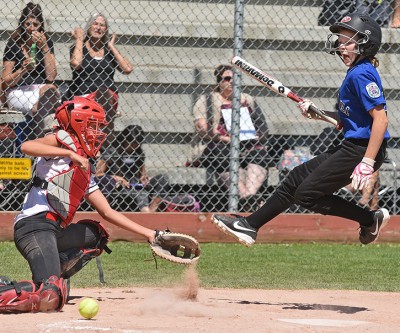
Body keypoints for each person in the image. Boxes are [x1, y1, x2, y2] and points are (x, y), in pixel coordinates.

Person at [212, 13, 390, 247]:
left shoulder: (362, 73)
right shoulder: (355, 72)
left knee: (306, 194)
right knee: (294, 179)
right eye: (340, 40)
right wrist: (320, 113)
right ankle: (250, 226)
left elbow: (380, 120)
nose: (340, 46)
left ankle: (370, 219)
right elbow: (352, 119)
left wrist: (367, 162)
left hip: (361, 150)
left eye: (348, 41)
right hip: (352, 146)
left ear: (366, 43)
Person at [0, 97, 168, 313]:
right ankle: (23, 286)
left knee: (96, 235)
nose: (97, 132)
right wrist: (68, 153)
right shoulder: (60, 140)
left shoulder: (85, 169)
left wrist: (149, 234)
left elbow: (107, 211)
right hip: (34, 227)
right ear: (79, 123)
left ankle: (55, 269)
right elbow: (27, 146)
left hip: (56, 232)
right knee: (49, 296)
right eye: (92, 126)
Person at [190, 64, 269, 208]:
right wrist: (225, 138)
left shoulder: (247, 98)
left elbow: (262, 126)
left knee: (260, 154)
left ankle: (247, 198)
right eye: (227, 79)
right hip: (216, 145)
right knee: (222, 153)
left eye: (235, 78)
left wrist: (250, 138)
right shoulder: (208, 99)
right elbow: (201, 127)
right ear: (219, 82)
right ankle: (250, 200)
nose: (232, 82)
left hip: (246, 144)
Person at [69, 12, 133, 142]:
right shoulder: (79, 47)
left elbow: (127, 69)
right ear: (89, 26)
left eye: (102, 25)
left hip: (107, 98)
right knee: (102, 96)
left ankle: (100, 139)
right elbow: (76, 63)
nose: (98, 27)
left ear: (106, 30)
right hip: (84, 96)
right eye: (95, 23)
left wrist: (111, 46)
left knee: (104, 93)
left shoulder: (109, 52)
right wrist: (80, 39)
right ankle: (102, 139)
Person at [1, 2, 60, 138]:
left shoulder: (47, 42)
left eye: (35, 24)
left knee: (50, 89)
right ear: (22, 24)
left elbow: (51, 75)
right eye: (27, 24)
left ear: (41, 25)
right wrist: (23, 69)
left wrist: (45, 48)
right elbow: (6, 81)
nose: (31, 28)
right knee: (49, 98)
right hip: (19, 90)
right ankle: (39, 138)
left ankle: (37, 109)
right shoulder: (14, 44)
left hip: (42, 90)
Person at [102, 124, 168, 212]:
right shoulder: (112, 152)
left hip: (135, 184)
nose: (134, 147)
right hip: (117, 185)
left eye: (137, 144)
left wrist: (144, 178)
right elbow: (98, 174)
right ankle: (144, 210)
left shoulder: (139, 153)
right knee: (138, 192)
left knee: (163, 179)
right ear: (124, 140)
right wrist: (115, 178)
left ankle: (151, 211)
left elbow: (142, 174)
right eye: (131, 143)